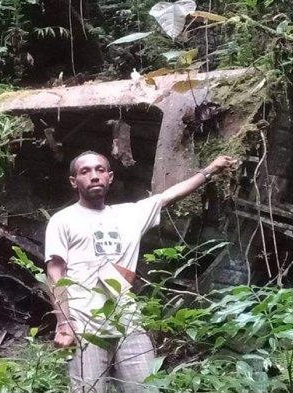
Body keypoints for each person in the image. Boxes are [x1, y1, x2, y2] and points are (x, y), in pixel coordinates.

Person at [45, 151, 238, 393]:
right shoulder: (63, 220)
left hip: (128, 324)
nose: (94, 176)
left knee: (146, 388)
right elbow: (55, 274)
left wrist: (211, 168)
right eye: (85, 172)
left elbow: (170, 196)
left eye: (100, 170)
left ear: (110, 177)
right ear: (74, 181)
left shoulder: (130, 214)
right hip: (84, 326)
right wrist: (64, 324)